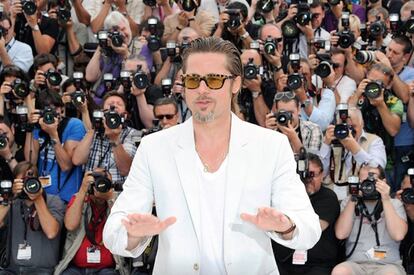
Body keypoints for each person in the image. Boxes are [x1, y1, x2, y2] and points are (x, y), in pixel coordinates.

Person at [103, 37, 321, 274]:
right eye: (194, 80)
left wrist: (285, 226)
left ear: (236, 84)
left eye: (215, 80)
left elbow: (308, 229)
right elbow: (113, 232)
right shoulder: (154, 147)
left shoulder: (271, 146)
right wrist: (133, 234)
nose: (202, 90)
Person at [332, 164, 407, 275]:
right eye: (364, 181)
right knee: (340, 271)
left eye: (373, 181)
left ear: (384, 182)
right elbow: (341, 234)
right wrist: (353, 198)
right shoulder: (349, 202)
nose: (368, 185)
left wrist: (385, 199)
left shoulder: (394, 204)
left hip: (388, 265)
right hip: (355, 264)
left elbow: (398, 235)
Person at [274, 153, 340, 275]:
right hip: (283, 260)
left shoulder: (327, 197)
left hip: (317, 263)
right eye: (303, 175)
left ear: (322, 174)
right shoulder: (283, 197)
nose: (307, 179)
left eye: (312, 174)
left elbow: (315, 228)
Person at [54, 169, 129, 275]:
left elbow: (124, 227)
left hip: (106, 268)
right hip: (76, 268)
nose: (100, 185)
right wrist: (83, 190)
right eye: (96, 180)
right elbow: (70, 225)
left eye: (104, 181)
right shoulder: (79, 197)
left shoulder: (117, 200)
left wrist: (110, 199)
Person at [0, 161, 65, 275]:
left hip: (42, 270)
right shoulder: (11, 202)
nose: (26, 185)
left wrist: (38, 198)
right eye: (22, 182)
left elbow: (51, 232)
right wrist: (9, 197)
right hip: (11, 270)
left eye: (29, 181)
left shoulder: (54, 201)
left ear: (38, 181)